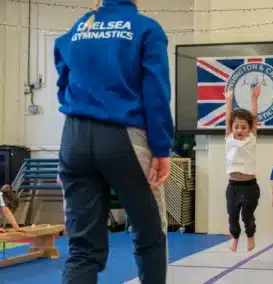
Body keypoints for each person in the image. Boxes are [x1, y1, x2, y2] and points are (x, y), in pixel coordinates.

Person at [53, 0, 173, 283]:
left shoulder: (78, 28)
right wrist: (161, 147)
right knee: (150, 232)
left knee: (82, 247)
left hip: (74, 137)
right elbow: (156, 92)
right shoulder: (145, 29)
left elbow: (63, 86)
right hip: (124, 137)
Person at [224, 84, 261, 252]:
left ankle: (250, 235)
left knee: (247, 216)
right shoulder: (229, 138)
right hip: (233, 186)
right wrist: (229, 100)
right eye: (236, 127)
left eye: (244, 127)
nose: (239, 130)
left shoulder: (251, 138)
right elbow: (227, 118)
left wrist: (254, 98)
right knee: (232, 215)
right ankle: (235, 237)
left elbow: (253, 116)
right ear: (232, 128)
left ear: (249, 128)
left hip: (250, 186)